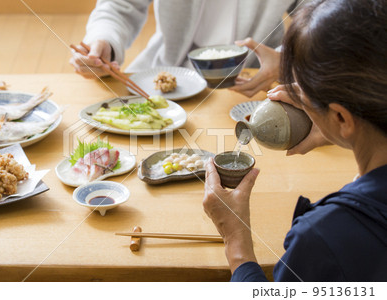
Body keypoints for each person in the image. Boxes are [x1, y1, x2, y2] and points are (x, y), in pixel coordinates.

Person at [203, 0, 387, 281]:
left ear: (341, 117)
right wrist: (340, 132)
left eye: (305, 92)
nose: (296, 95)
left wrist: (235, 238)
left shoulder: (324, 236)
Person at [70, 0, 300, 97]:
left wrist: (286, 60)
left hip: (258, 80)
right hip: (166, 71)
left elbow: (324, 18)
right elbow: (120, 5)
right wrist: (103, 41)